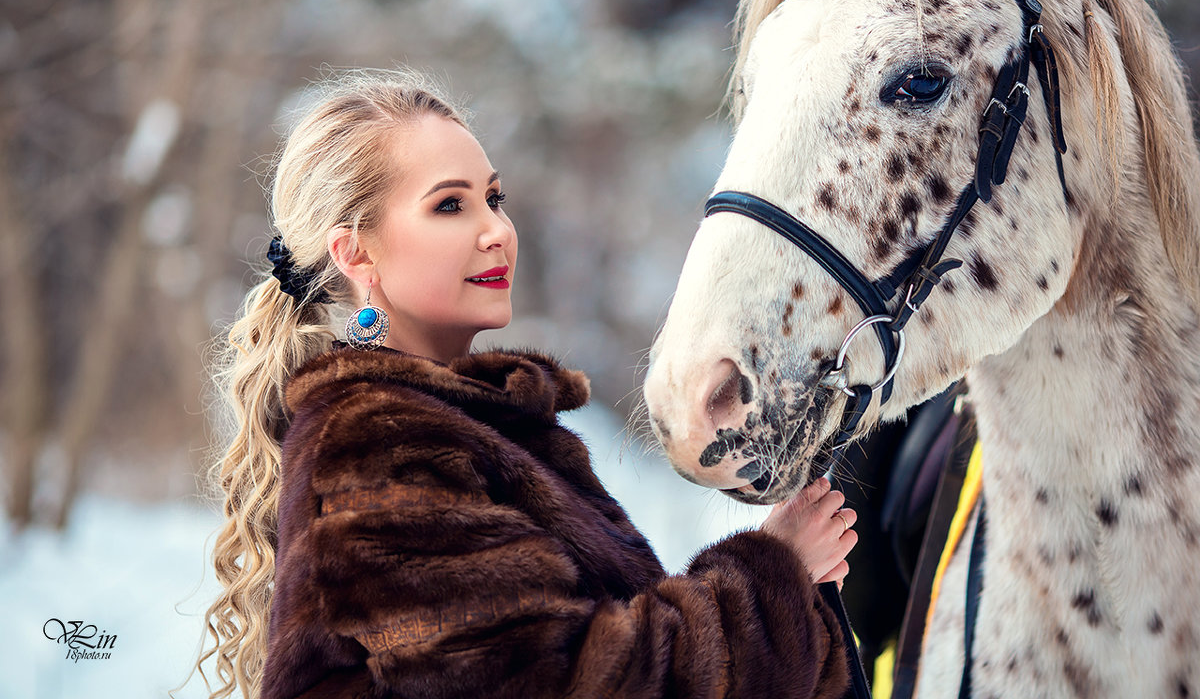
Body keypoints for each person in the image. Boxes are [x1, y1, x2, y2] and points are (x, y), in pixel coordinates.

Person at [194, 69, 859, 699]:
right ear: (355, 252)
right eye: (449, 205)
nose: (495, 231)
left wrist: (795, 601)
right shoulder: (380, 445)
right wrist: (770, 580)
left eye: (494, 198)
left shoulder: (471, 427)